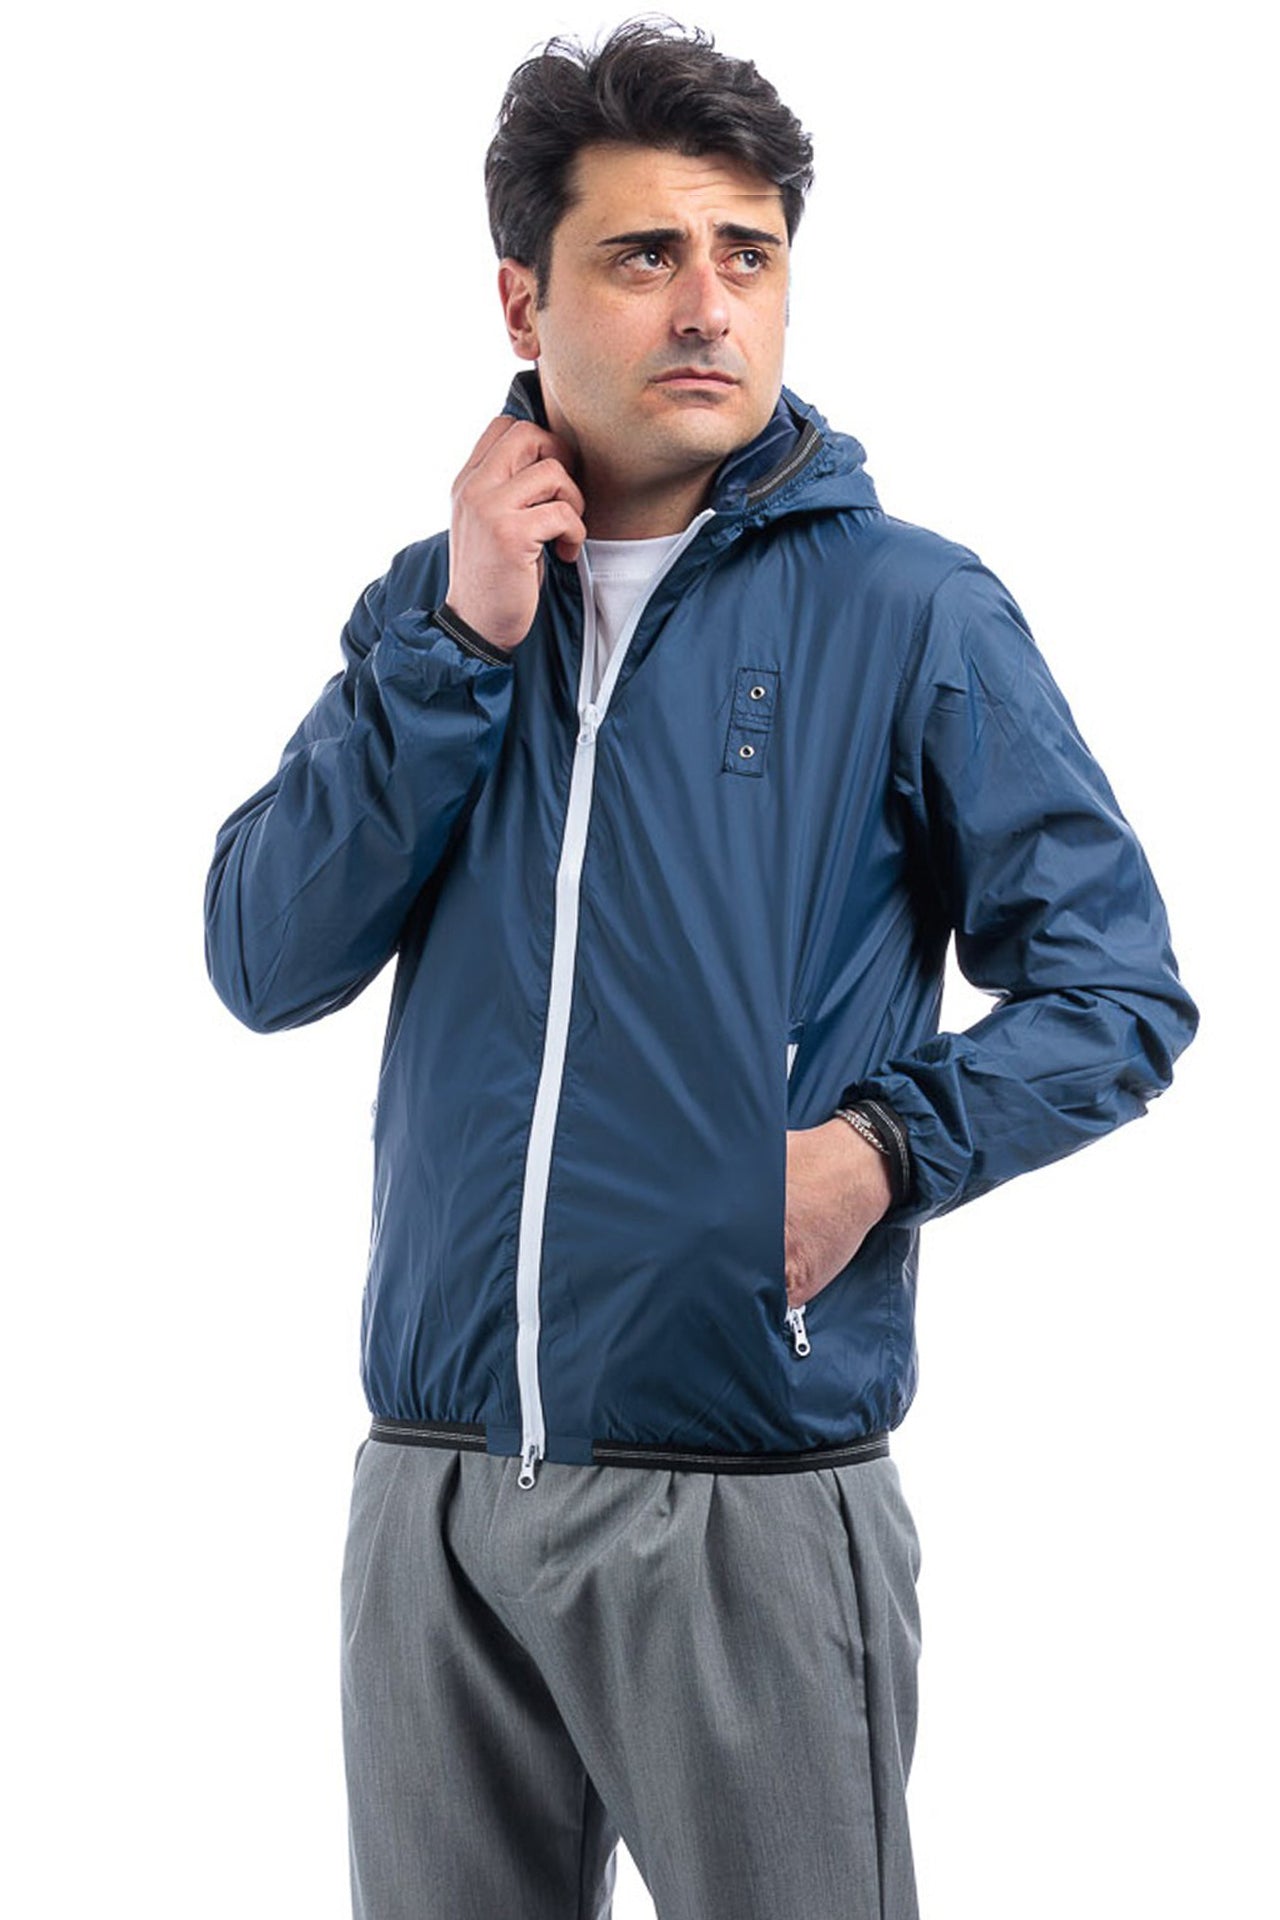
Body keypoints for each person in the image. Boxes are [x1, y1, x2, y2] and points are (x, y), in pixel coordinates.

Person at [203, 19, 1199, 1920]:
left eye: (749, 254)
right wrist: (459, 644)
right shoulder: (439, 611)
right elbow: (263, 955)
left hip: (747, 1496)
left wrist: (878, 1153)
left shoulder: (909, 610)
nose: (708, 304)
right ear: (524, 296)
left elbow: (1120, 994)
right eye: (645, 253)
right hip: (432, 1488)